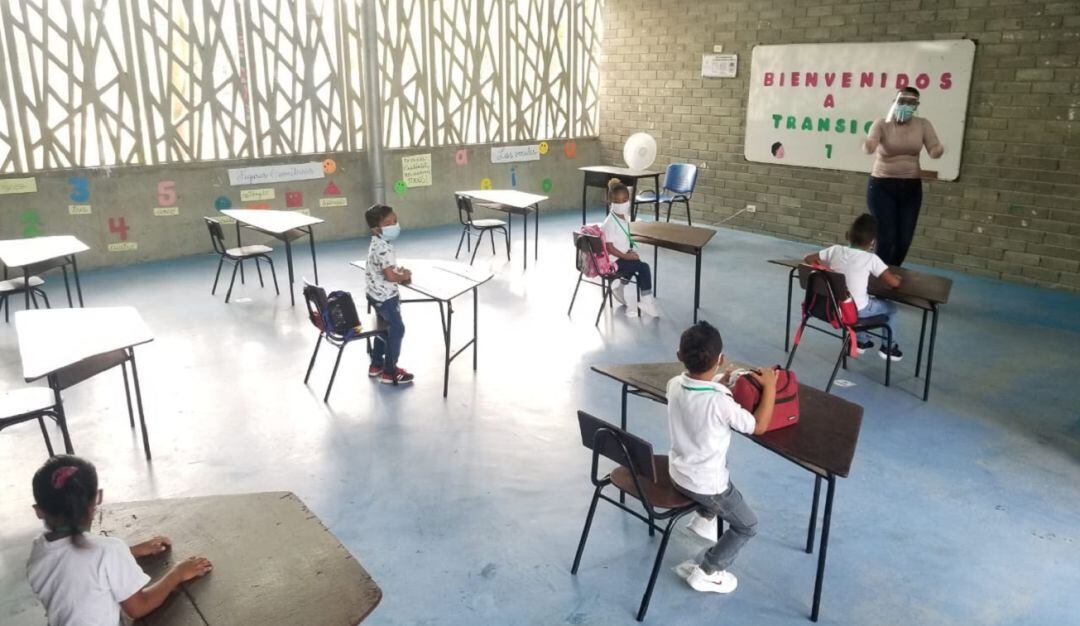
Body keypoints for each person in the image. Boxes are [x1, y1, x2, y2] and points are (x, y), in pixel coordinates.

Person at [26, 455, 212, 626]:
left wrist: (130, 552)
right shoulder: (109, 551)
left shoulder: (38, 551)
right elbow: (138, 608)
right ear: (98, 497)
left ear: (38, 510)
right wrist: (177, 573)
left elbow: (77, 566)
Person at [666, 321, 776, 594]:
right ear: (721, 359)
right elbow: (758, 426)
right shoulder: (720, 402)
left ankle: (704, 517)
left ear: (679, 356)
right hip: (705, 486)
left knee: (712, 464)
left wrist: (718, 381)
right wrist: (771, 387)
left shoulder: (673, 384)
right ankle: (708, 570)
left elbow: (697, 390)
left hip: (678, 473)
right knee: (748, 525)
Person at [804, 213, 904, 361]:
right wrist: (897, 278)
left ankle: (862, 341)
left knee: (860, 302)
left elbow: (808, 259)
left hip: (831, 307)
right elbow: (893, 283)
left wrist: (827, 269)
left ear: (847, 235)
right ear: (872, 243)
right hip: (854, 311)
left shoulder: (835, 250)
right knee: (891, 309)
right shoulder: (871, 259)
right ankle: (889, 347)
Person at [862, 86, 944, 266]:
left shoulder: (923, 124)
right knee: (886, 237)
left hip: (911, 188)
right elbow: (871, 143)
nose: (906, 105)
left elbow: (933, 148)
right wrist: (869, 145)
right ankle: (877, 277)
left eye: (911, 103)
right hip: (882, 185)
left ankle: (891, 272)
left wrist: (938, 150)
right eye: (902, 101)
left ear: (917, 106)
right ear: (895, 102)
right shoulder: (882, 123)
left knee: (904, 239)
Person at [365, 204, 415, 385]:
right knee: (397, 329)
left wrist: (395, 271)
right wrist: (404, 275)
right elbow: (390, 276)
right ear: (376, 229)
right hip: (386, 297)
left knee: (383, 328)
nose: (394, 225)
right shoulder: (384, 248)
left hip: (374, 295)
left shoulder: (377, 242)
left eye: (395, 220)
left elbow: (385, 269)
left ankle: (376, 365)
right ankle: (390, 371)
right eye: (388, 223)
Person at [601, 179, 659, 317]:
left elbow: (621, 239)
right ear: (611, 201)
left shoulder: (623, 217)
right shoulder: (610, 222)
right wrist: (626, 256)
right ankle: (646, 301)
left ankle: (620, 289)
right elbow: (609, 248)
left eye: (624, 200)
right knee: (643, 267)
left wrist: (629, 252)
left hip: (619, 257)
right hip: (613, 262)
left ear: (629, 200)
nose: (622, 204)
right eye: (617, 201)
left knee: (636, 263)